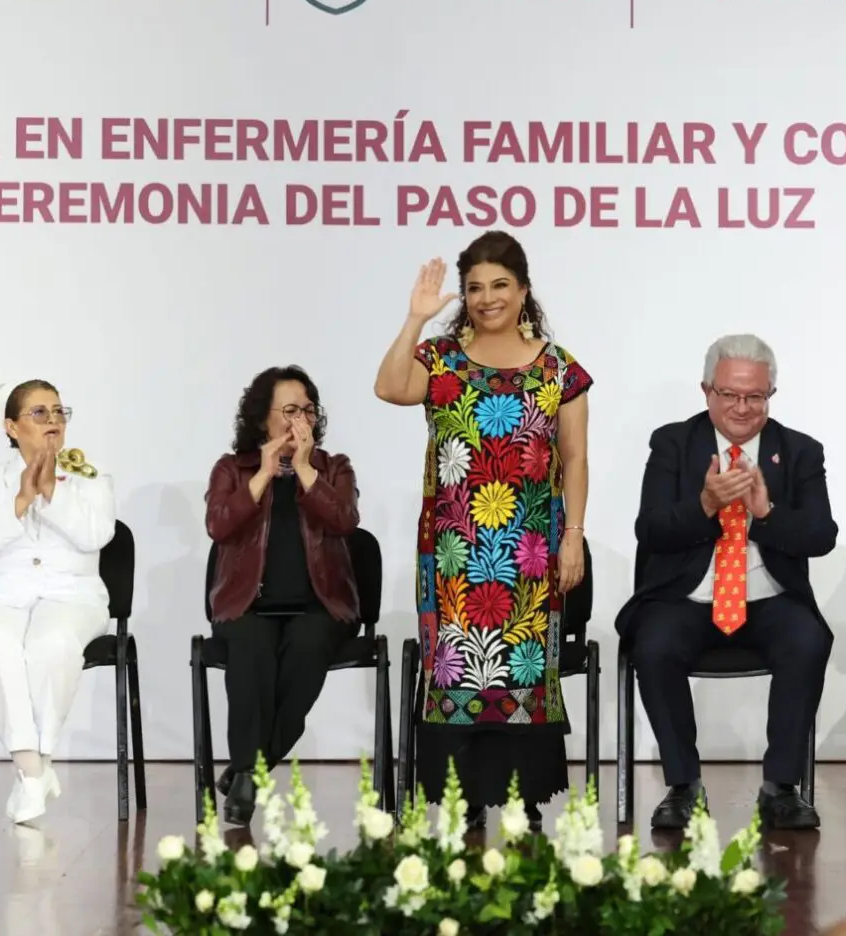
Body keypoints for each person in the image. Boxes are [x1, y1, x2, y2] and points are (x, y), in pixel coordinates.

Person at [373, 230, 590, 831]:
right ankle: (463, 810)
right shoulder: (438, 359)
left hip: (529, 555)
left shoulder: (558, 368)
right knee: (456, 677)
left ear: (523, 290)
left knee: (522, 678)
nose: (487, 297)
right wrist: (416, 319)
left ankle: (524, 810)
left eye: (500, 285)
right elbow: (390, 388)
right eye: (474, 288)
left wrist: (573, 536)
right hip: (453, 557)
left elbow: (575, 458)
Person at [621, 334, 835, 831]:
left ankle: (781, 787)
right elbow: (649, 529)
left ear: (770, 395)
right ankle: (683, 786)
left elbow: (821, 535)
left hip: (768, 598)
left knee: (809, 639)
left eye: (755, 397)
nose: (743, 408)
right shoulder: (673, 443)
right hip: (687, 596)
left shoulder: (798, 451)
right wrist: (705, 506)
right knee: (653, 644)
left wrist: (765, 513)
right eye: (730, 395)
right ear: (707, 391)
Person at [204, 365, 362, 824]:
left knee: (308, 649)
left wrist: (308, 472)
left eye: (308, 411)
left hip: (321, 605)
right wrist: (264, 475)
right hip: (246, 604)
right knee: (250, 655)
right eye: (289, 410)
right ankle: (250, 774)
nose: (300, 421)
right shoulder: (232, 469)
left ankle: (245, 772)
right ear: (261, 419)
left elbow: (344, 521)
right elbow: (220, 525)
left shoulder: (334, 467)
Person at [0, 379, 116, 824]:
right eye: (40, 413)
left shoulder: (90, 475)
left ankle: (35, 771)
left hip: (72, 594)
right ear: (11, 426)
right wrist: (22, 499)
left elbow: (98, 535)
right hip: (2, 593)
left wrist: (53, 492)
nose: (53, 422)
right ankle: (33, 768)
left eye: (59, 412)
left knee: (55, 643)